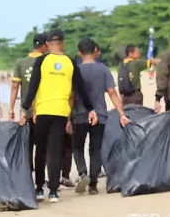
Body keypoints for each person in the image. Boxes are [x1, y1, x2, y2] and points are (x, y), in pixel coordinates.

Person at [20, 29, 97, 203]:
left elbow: (32, 88)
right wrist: (90, 108)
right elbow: (80, 88)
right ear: (62, 42)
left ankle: (39, 189)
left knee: (40, 151)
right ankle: (53, 191)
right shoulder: (70, 62)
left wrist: (25, 110)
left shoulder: (41, 60)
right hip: (61, 112)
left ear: (47, 44)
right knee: (55, 151)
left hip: (42, 111)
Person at [72, 38, 130, 195]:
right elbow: (112, 93)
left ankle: (82, 172)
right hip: (100, 114)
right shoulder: (103, 69)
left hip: (79, 114)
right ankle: (93, 184)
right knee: (95, 149)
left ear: (79, 52)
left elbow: (71, 95)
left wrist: (67, 116)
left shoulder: (75, 70)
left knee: (77, 147)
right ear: (95, 49)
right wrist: (121, 113)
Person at [10, 33, 48, 173]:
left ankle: (27, 176)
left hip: (25, 112)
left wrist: (11, 109)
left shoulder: (21, 63)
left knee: (27, 146)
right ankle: (41, 177)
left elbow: (15, 87)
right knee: (43, 146)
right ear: (44, 45)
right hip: (44, 109)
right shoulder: (47, 61)